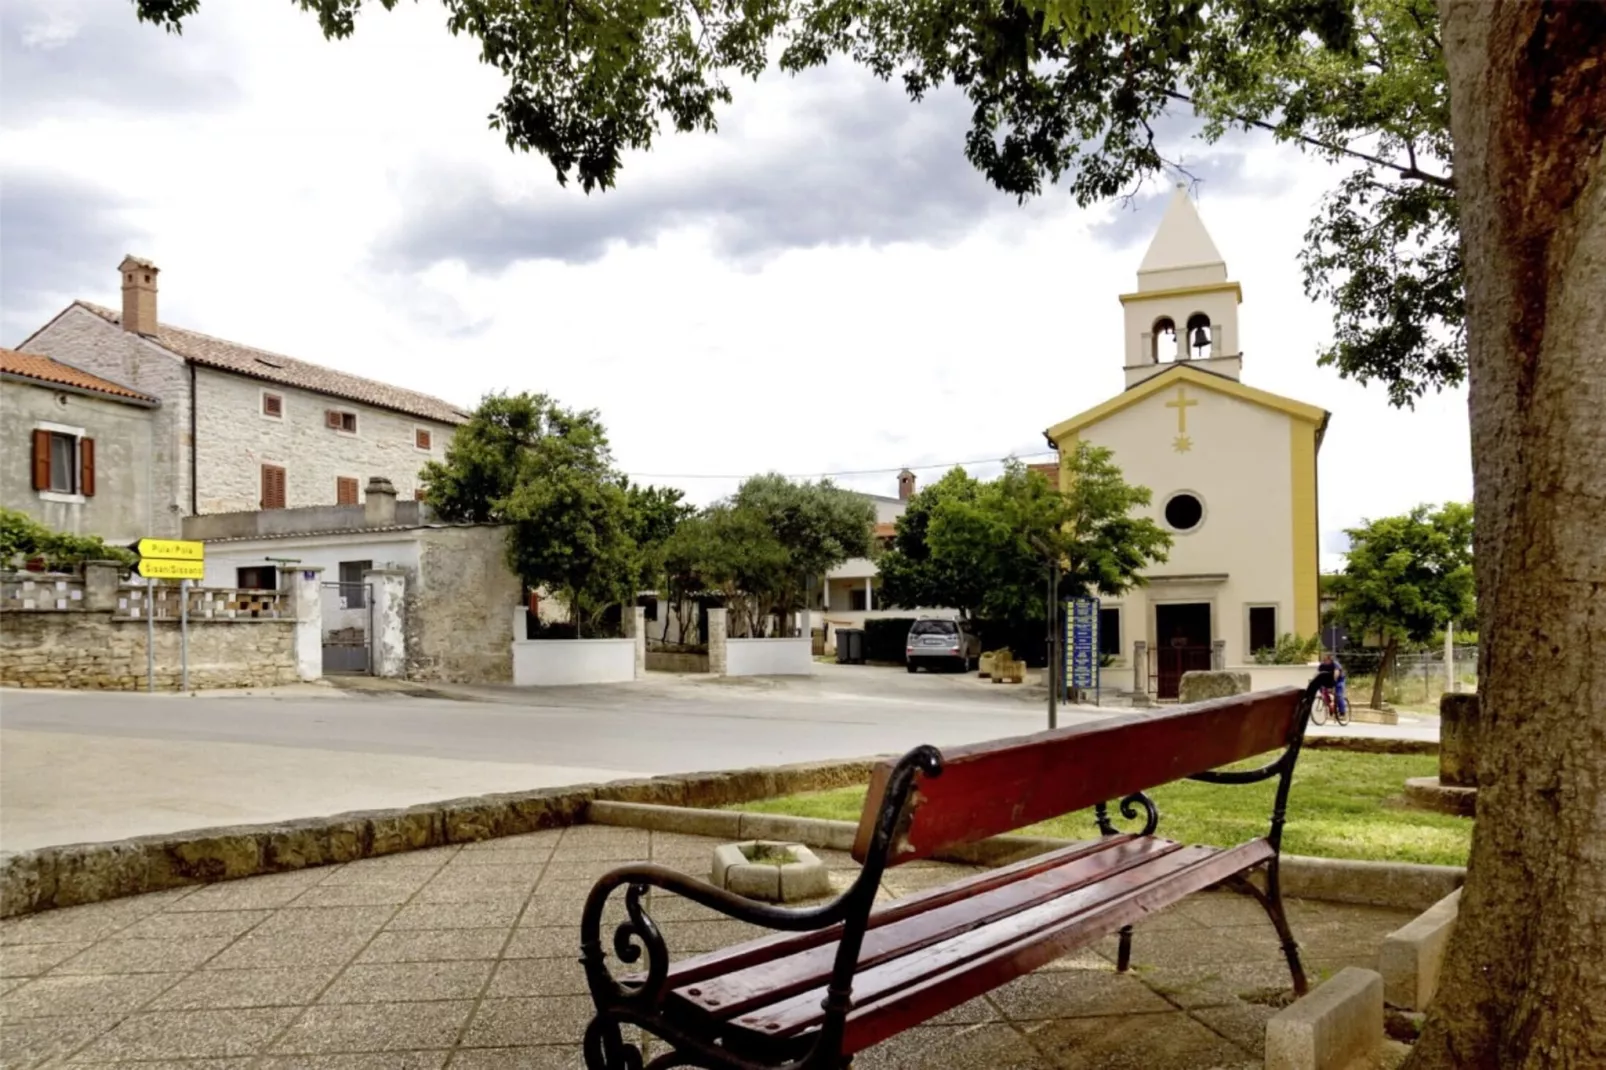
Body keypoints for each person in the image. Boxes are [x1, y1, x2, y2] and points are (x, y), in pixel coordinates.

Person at [1317, 649, 1349, 714]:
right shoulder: (1322, 665)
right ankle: (1330, 705)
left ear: (1330, 659)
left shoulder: (1335, 664)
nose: (1325, 660)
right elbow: (1319, 673)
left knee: (1338, 694)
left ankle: (1342, 711)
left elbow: (1336, 673)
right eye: (1324, 659)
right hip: (1329, 680)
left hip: (1339, 680)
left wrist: (1334, 682)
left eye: (1326, 659)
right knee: (1323, 691)